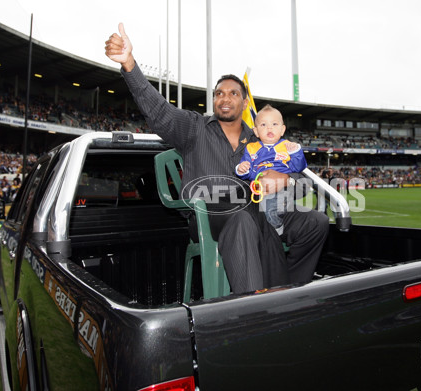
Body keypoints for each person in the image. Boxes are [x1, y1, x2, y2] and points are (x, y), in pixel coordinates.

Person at [105, 23, 329, 294]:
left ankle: (292, 290)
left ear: (245, 103)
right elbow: (159, 111)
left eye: (234, 93)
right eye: (219, 93)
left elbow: (293, 171)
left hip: (258, 209)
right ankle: (253, 307)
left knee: (315, 221)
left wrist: (285, 180)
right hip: (209, 213)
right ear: (213, 100)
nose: (225, 98)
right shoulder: (194, 126)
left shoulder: (259, 139)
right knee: (245, 217)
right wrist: (129, 65)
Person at [236, 105, 307, 235]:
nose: (269, 128)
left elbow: (298, 167)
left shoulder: (287, 146)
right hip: (261, 189)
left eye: (274, 124)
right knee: (263, 208)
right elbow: (249, 172)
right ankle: (272, 228)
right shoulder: (251, 148)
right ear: (256, 131)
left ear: (282, 129)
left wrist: (296, 152)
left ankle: (276, 229)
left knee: (271, 207)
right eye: (263, 125)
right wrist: (242, 169)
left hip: (283, 188)